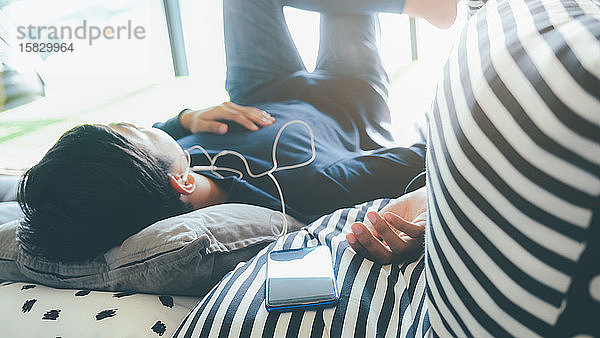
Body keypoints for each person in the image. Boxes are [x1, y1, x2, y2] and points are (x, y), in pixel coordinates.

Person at [17, 0, 460, 262]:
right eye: (132, 132)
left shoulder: (159, 174)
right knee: (346, 9)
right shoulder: (307, 190)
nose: (141, 123)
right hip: (348, 98)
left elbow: (155, 137)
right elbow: (429, 154)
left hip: (259, 89)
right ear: (182, 181)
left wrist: (184, 120)